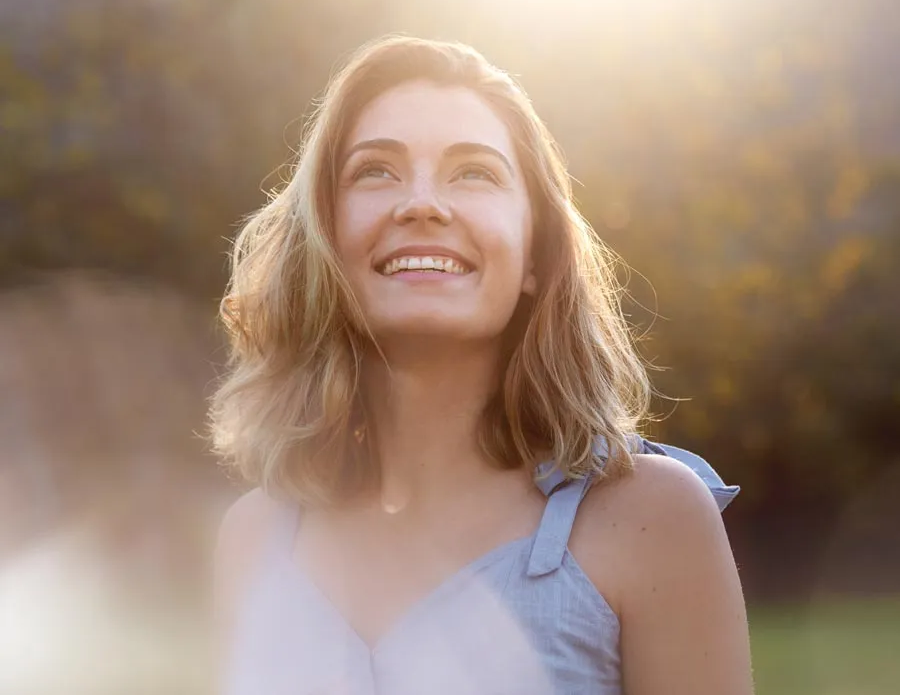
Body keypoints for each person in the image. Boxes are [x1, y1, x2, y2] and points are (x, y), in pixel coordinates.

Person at [209, 36, 754, 694]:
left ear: (534, 255)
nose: (422, 204)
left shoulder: (649, 518)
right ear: (324, 239)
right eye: (375, 171)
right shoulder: (255, 539)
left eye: (474, 173)